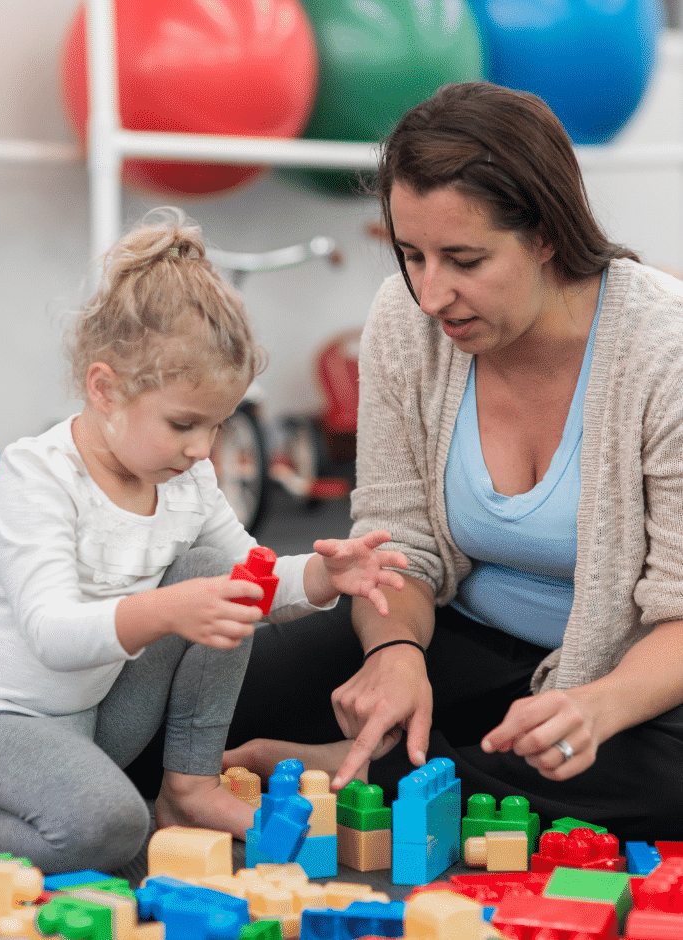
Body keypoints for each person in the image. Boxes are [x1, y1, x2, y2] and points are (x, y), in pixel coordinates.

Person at [223, 81, 683, 840]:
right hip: (457, 633)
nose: (432, 293)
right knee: (203, 690)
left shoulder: (663, 355)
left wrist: (594, 708)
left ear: (546, 235)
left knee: (668, 781)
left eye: (464, 259)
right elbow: (394, 539)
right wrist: (397, 652)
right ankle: (434, 773)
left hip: (623, 669)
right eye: (411, 255)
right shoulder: (405, 321)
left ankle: (369, 777)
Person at [0, 208, 408, 874]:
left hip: (94, 713)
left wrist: (326, 578)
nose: (202, 449)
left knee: (217, 571)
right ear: (106, 389)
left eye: (216, 425)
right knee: (111, 830)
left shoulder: (185, 478)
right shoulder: (36, 477)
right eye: (185, 423)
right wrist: (171, 611)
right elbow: (51, 632)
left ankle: (190, 789)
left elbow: (252, 572)